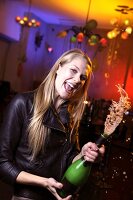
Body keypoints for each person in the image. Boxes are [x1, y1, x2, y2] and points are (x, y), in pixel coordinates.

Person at [0, 48, 105, 200]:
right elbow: (2, 163)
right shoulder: (22, 104)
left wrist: (83, 155)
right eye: (73, 71)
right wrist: (44, 183)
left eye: (82, 77)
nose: (77, 80)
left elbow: (69, 161)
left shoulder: (71, 117)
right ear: (58, 68)